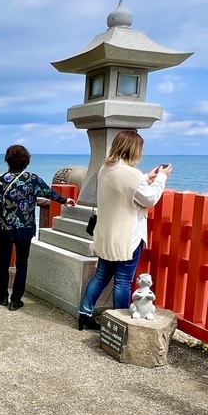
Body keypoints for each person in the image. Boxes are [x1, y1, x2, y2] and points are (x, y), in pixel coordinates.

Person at [77, 130, 170, 330]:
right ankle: (121, 323)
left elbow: (123, 186)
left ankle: (84, 314)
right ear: (134, 150)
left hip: (107, 233)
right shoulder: (132, 174)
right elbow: (149, 198)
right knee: (123, 282)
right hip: (128, 236)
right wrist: (161, 178)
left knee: (101, 276)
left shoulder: (105, 169)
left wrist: (147, 176)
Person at [0, 145, 75, 310]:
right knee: (22, 263)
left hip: (4, 228)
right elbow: (48, 192)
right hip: (25, 227)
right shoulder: (32, 179)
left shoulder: (2, 180)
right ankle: (16, 300)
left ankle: (2, 296)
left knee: (3, 263)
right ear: (26, 161)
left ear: (8, 161)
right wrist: (65, 201)